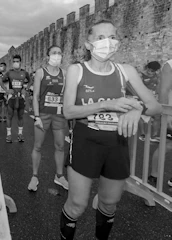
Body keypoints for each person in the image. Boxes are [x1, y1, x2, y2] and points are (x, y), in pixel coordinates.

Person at [60, 20, 161, 240]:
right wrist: (107, 104)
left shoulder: (126, 71)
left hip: (117, 142)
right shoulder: (76, 70)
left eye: (113, 37)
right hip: (86, 140)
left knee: (109, 203)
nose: (109, 42)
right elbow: (68, 111)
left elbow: (155, 105)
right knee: (77, 205)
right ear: (88, 45)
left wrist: (137, 110)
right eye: (101, 38)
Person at [28, 46, 69, 191]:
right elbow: (36, 96)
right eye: (54, 53)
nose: (57, 56)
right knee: (38, 146)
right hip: (43, 114)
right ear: (47, 56)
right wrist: (36, 116)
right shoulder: (40, 72)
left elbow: (67, 95)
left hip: (59, 114)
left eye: (59, 53)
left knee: (60, 145)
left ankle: (59, 176)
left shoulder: (65, 73)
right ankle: (34, 177)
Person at [149, 59, 172, 187]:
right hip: (171, 112)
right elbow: (163, 90)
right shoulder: (170, 65)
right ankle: (154, 176)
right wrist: (166, 113)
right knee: (167, 145)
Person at [0, 55, 31, 143]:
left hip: (21, 97)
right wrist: (6, 90)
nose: (15, 63)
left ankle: (20, 134)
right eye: (14, 61)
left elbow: (30, 80)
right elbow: (0, 81)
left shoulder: (24, 73)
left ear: (20, 62)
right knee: (9, 116)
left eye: (17, 61)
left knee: (20, 116)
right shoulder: (9, 73)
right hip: (11, 97)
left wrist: (26, 89)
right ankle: (9, 135)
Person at [138, 61, 161, 142]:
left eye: (153, 71)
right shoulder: (141, 75)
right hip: (142, 98)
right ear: (147, 68)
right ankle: (142, 134)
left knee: (157, 116)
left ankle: (154, 135)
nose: (150, 72)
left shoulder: (157, 77)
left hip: (154, 99)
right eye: (149, 70)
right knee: (140, 115)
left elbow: (158, 87)